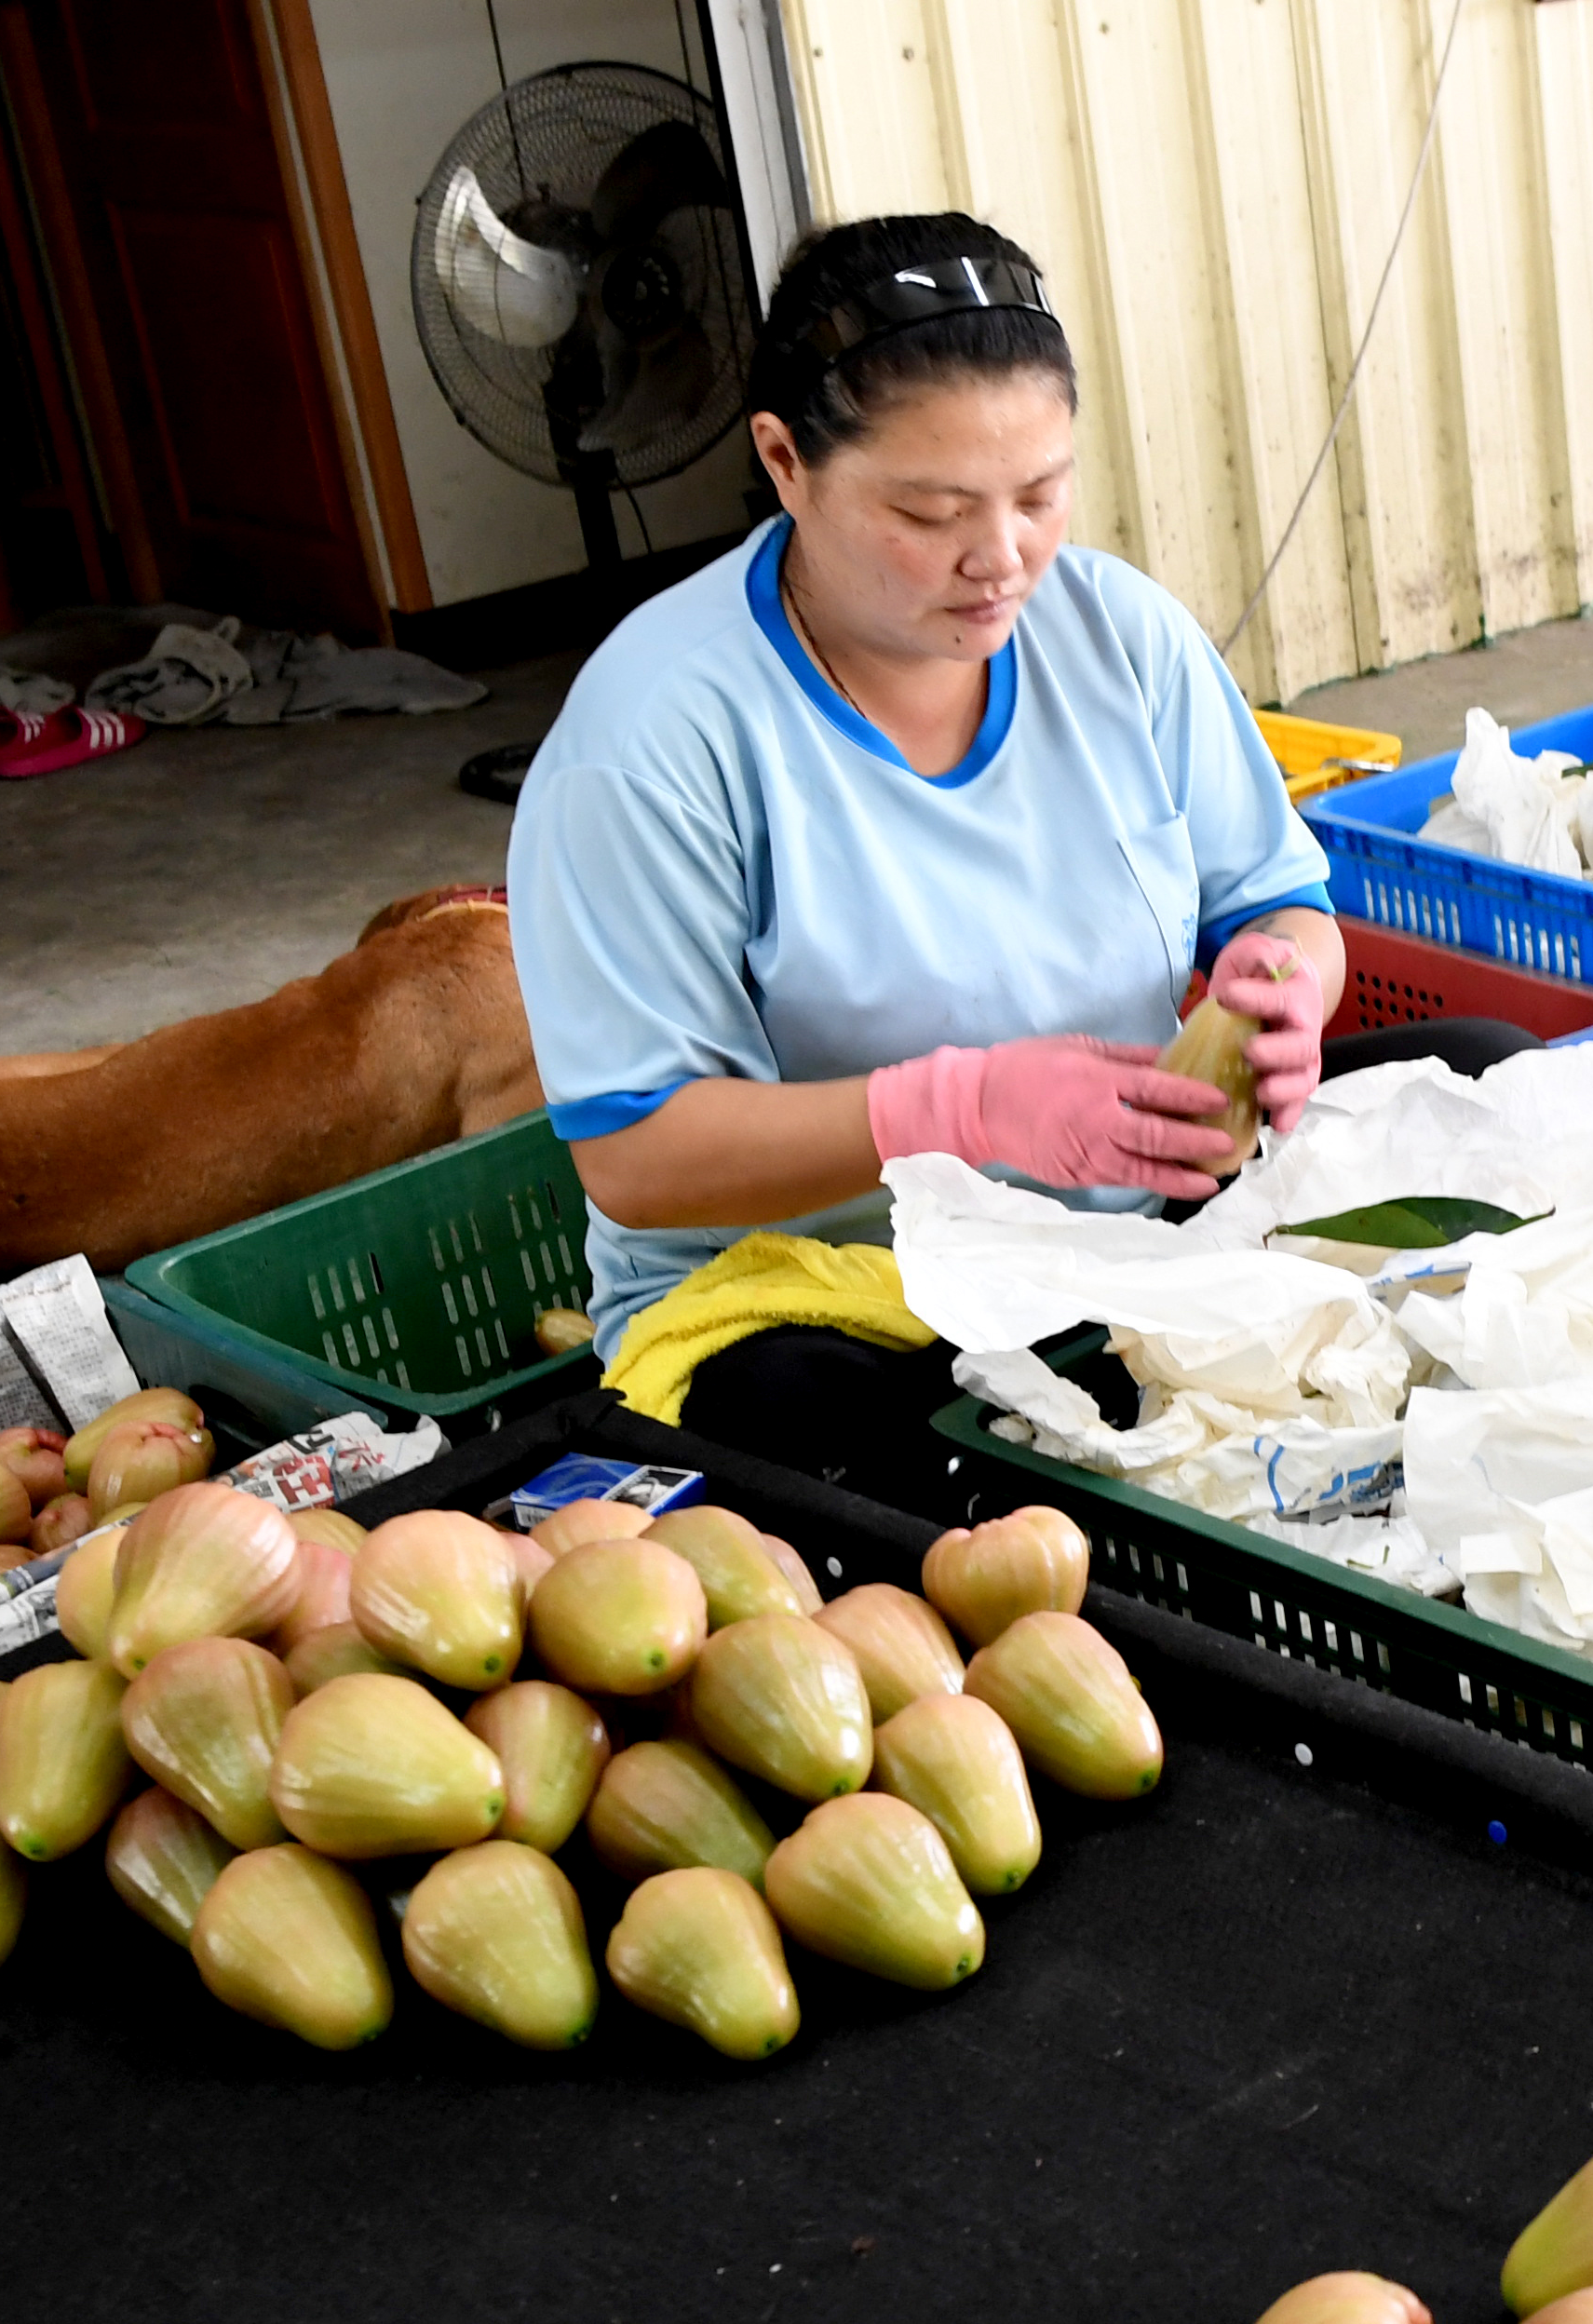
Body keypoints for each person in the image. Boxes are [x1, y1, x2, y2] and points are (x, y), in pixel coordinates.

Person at [505, 214, 1519, 1472]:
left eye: (1040, 494)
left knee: (1491, 1076)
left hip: (1131, 1214)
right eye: (930, 511)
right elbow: (636, 1159)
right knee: (849, 1438)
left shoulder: (1118, 636)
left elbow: (1280, 906)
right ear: (784, 461)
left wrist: (1284, 988)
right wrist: (957, 1109)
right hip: (840, 1289)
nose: (1001, 559)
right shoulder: (654, 739)